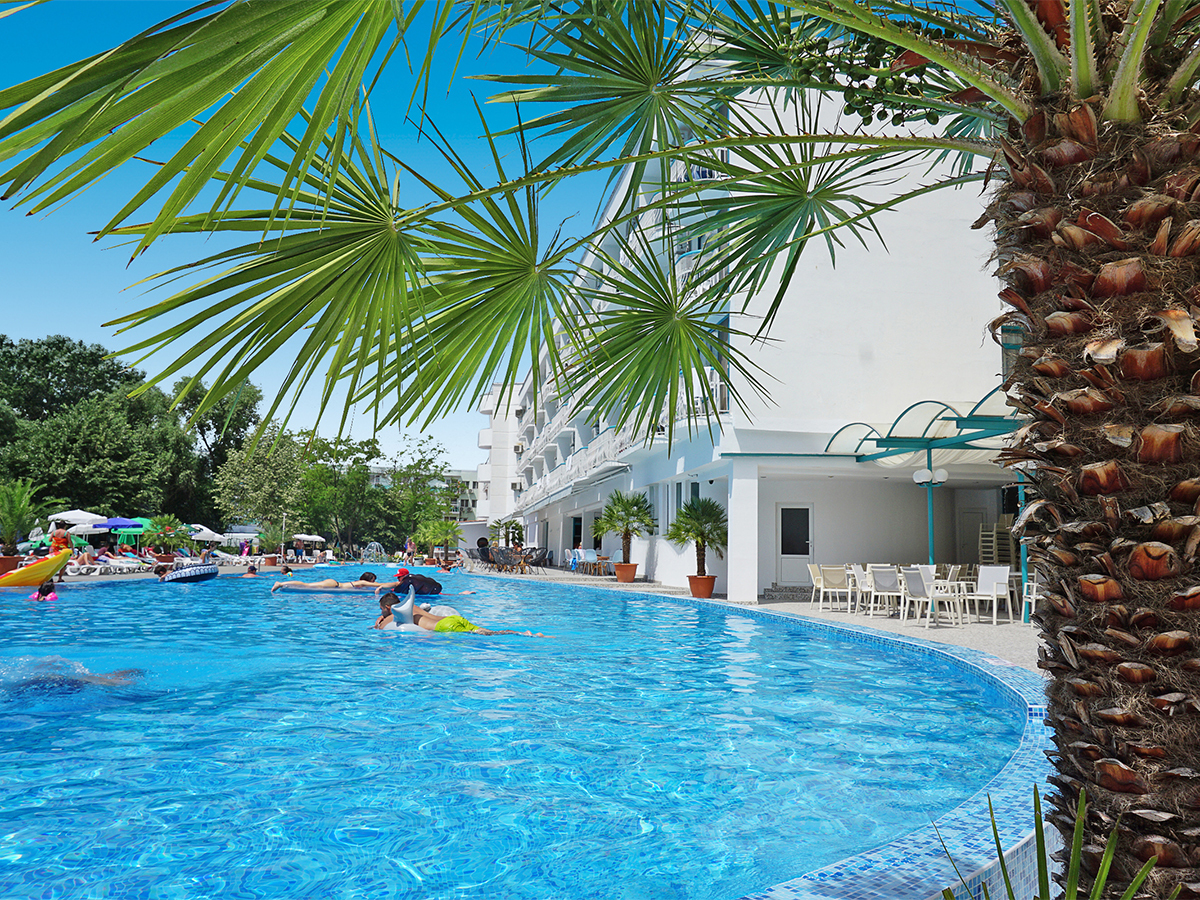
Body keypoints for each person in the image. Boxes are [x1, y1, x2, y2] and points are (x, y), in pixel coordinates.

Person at [373, 591, 544, 636]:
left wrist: (379, 621)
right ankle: (523, 633)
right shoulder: (414, 607)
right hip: (453, 619)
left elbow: (381, 627)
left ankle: (526, 635)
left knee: (488, 636)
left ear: (388, 608)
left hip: (444, 626)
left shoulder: (397, 613)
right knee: (490, 632)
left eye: (382, 609)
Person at [270, 571, 378, 592]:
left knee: (307, 585)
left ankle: (281, 583)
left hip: (334, 584)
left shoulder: (360, 584)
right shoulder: (362, 583)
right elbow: (380, 585)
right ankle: (280, 583)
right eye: (373, 581)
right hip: (334, 585)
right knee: (306, 585)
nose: (373, 583)